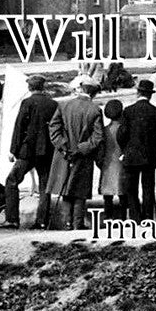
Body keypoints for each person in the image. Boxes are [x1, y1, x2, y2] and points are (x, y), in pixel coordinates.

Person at [48, 75, 105, 230]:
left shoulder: (63, 105)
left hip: (63, 155)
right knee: (80, 190)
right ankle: (77, 224)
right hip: (83, 156)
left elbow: (53, 129)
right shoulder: (95, 109)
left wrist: (63, 147)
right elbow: (98, 137)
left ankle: (67, 223)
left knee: (65, 188)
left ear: (80, 89)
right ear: (94, 93)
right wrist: (81, 149)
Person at [3, 74, 59, 230]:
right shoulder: (53, 104)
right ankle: (42, 222)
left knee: (12, 181)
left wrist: (13, 150)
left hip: (28, 150)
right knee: (44, 187)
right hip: (47, 151)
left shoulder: (27, 102)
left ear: (29, 88)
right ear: (43, 87)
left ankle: (12, 219)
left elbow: (19, 126)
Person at [117, 79, 156, 222]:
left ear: (138, 93)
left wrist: (125, 150)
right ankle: (148, 218)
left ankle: (135, 218)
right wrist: (155, 151)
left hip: (131, 156)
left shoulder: (128, 111)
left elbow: (121, 135)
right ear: (150, 95)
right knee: (148, 189)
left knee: (131, 190)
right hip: (149, 157)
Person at [98, 99, 128, 220]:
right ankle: (122, 218)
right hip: (121, 164)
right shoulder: (124, 129)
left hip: (107, 164)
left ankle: (108, 217)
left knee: (107, 195)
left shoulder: (104, 131)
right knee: (123, 193)